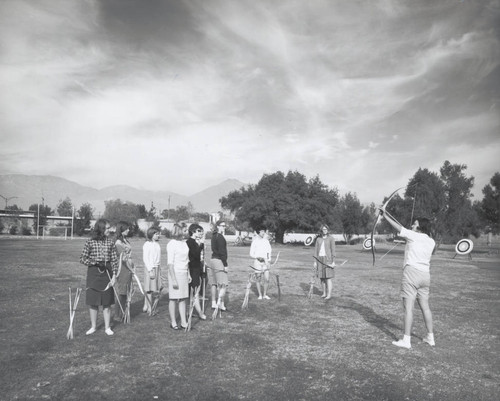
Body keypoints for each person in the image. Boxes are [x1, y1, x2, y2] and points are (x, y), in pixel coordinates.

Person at [380, 210, 436, 349]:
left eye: (415, 224)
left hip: (412, 273)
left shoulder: (414, 236)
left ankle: (406, 340)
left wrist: (385, 215)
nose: (412, 225)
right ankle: (430, 337)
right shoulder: (432, 241)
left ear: (420, 227)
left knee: (408, 308)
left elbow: (398, 227)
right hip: (425, 275)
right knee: (425, 307)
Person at [80, 219, 119, 336]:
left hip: (107, 272)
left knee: (107, 302)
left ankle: (107, 327)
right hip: (94, 273)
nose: (109, 230)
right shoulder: (90, 242)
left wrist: (114, 277)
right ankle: (93, 326)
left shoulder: (111, 242)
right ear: (101, 228)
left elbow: (114, 261)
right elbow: (82, 258)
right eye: (107, 228)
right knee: (93, 302)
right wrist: (94, 262)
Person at [166, 223, 191, 329]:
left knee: (183, 298)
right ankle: (173, 322)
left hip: (184, 272)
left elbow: (186, 260)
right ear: (179, 231)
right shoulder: (171, 244)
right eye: (185, 230)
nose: (187, 232)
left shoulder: (184, 243)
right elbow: (170, 263)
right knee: (173, 298)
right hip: (175, 273)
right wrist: (174, 279)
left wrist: (188, 273)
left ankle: (183, 322)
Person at [186, 223, 207, 320]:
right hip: (192, 269)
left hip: (197, 268)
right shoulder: (190, 242)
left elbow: (200, 256)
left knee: (195, 290)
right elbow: (195, 254)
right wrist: (201, 244)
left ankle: (189, 310)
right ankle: (200, 312)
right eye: (199, 231)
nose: (201, 233)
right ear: (193, 231)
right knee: (195, 292)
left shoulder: (196, 242)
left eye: (201, 231)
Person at [115, 221, 133, 320]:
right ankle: (117, 314)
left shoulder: (125, 240)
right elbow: (123, 258)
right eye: (127, 228)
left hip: (129, 269)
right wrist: (131, 268)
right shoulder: (118, 242)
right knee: (122, 292)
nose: (128, 230)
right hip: (123, 269)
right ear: (121, 229)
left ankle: (123, 312)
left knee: (126, 292)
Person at [313, 224, 336, 300]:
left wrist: (333, 262)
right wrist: (315, 262)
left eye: (326, 229)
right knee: (322, 278)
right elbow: (316, 251)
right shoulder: (318, 239)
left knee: (328, 278)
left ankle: (329, 294)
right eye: (323, 229)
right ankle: (324, 293)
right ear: (321, 230)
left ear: (328, 230)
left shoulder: (331, 238)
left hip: (328, 260)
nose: (324, 230)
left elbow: (333, 250)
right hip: (320, 260)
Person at [249, 225, 272, 300]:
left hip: (265, 262)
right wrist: (257, 257)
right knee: (258, 279)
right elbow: (251, 253)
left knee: (267, 279)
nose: (263, 232)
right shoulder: (255, 241)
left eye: (264, 231)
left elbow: (269, 251)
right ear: (258, 232)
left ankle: (265, 294)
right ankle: (260, 295)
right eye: (261, 231)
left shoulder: (266, 241)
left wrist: (268, 261)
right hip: (257, 262)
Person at [142, 227, 161, 315]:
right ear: (151, 234)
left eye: (158, 234)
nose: (158, 235)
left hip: (156, 267)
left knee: (154, 288)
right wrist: (150, 270)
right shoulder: (147, 244)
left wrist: (158, 269)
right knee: (149, 288)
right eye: (156, 234)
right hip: (150, 268)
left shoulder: (157, 244)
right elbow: (146, 258)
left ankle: (146, 305)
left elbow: (157, 258)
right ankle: (149, 308)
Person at [210, 220, 229, 310]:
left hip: (213, 260)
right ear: (218, 226)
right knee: (223, 283)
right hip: (218, 261)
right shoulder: (220, 237)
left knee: (214, 283)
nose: (224, 227)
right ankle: (220, 303)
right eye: (222, 225)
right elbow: (222, 252)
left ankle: (214, 302)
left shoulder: (214, 236)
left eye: (225, 226)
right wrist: (225, 264)